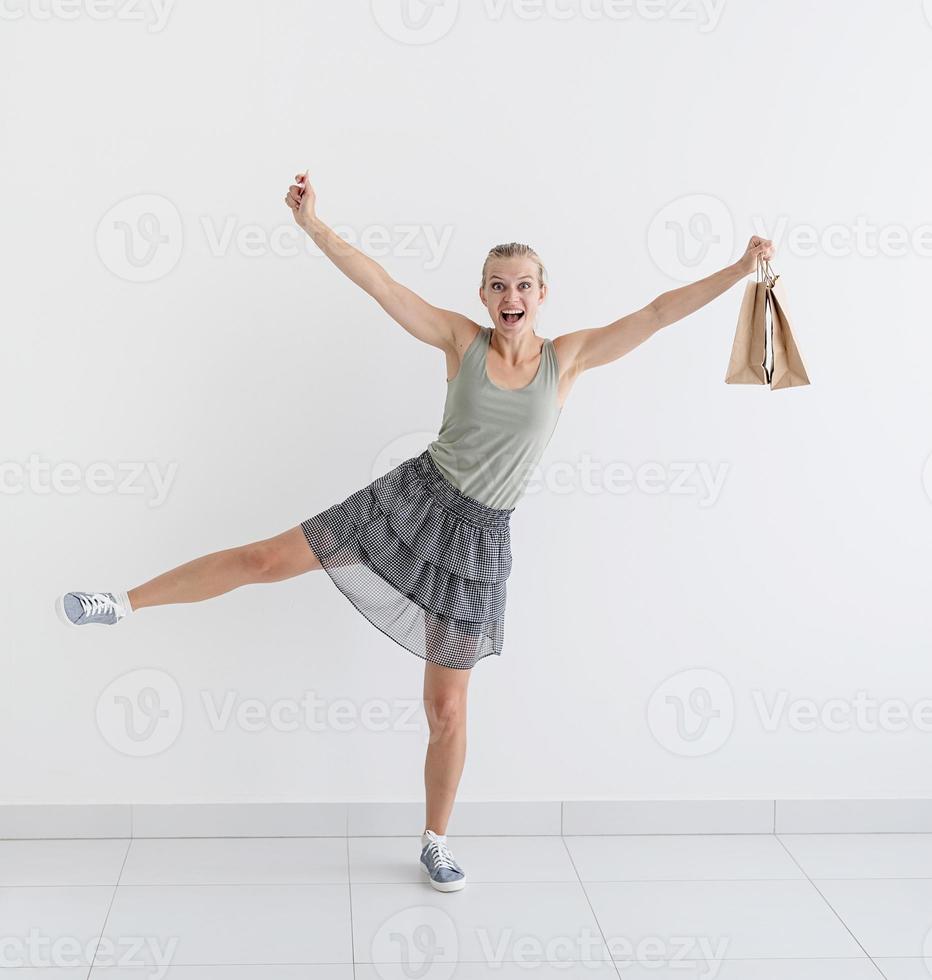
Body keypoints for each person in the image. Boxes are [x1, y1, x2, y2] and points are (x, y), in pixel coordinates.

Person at [56, 170, 775, 891]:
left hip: (480, 544)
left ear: (542, 295)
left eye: (523, 285)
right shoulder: (460, 341)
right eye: (497, 285)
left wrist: (740, 270)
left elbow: (655, 312)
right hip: (412, 501)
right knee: (266, 558)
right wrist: (314, 225)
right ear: (484, 295)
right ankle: (121, 603)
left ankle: (436, 839)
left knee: (446, 707)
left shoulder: (570, 358)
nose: (510, 298)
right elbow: (383, 285)